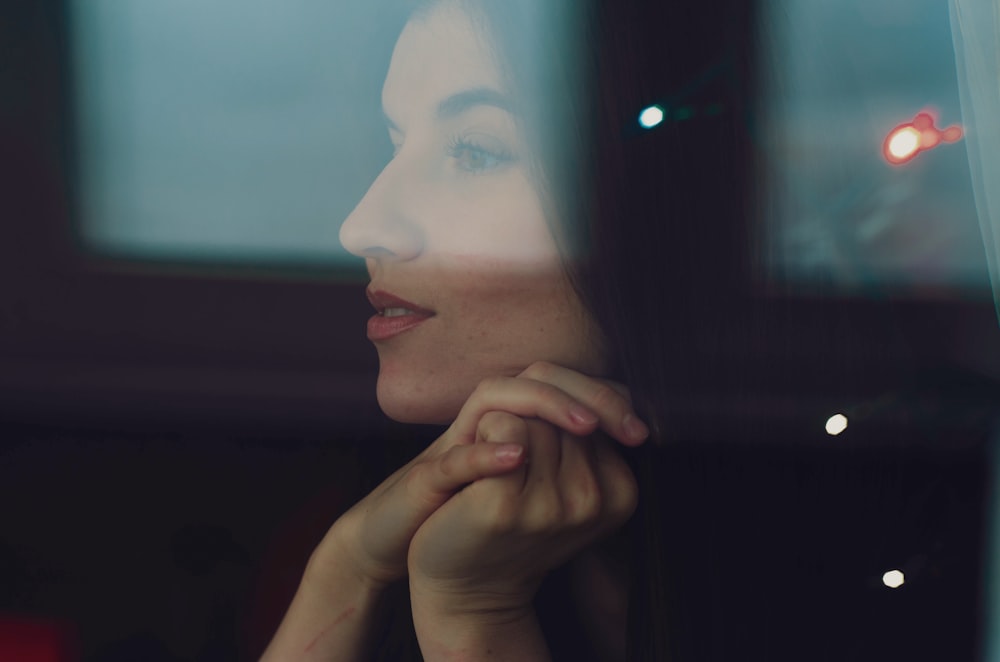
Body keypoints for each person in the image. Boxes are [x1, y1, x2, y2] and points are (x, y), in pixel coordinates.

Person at [263, 0, 752, 659]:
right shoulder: (411, 509)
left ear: (669, 202)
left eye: (475, 151)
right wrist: (346, 566)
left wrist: (475, 620)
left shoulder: (866, 557)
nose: (363, 226)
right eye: (395, 143)